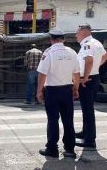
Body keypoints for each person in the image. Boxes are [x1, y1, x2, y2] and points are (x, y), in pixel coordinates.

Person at [37, 28, 80, 158]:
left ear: (51, 40)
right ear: (64, 39)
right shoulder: (72, 52)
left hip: (52, 91)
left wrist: (39, 90)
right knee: (68, 120)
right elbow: (76, 73)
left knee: (53, 120)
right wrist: (76, 88)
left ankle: (52, 149)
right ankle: (70, 149)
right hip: (67, 89)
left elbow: (42, 73)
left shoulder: (49, 53)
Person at [75, 24, 107, 148]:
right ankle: (85, 133)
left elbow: (88, 60)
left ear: (84, 32)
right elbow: (106, 56)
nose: (75, 35)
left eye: (77, 33)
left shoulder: (87, 44)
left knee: (88, 110)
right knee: (86, 108)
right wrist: (96, 67)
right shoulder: (97, 43)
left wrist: (84, 77)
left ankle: (89, 140)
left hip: (87, 80)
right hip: (93, 77)